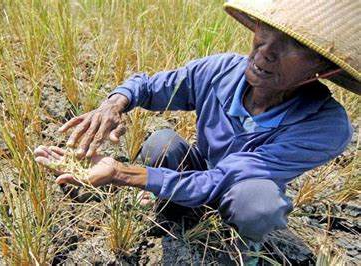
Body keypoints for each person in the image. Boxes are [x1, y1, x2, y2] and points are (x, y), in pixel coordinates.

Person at [35, 0, 359, 264]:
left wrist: (121, 173)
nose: (265, 51)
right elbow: (149, 86)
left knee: (257, 204)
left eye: (294, 46)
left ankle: (240, 250)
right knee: (162, 144)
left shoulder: (324, 126)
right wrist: (114, 104)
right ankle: (173, 214)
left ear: (324, 68)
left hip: (241, 187)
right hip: (200, 168)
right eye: (267, 30)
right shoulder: (220, 70)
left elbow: (225, 180)